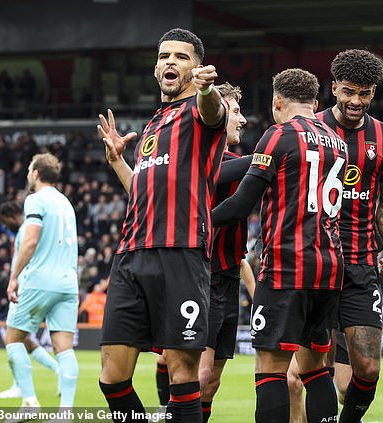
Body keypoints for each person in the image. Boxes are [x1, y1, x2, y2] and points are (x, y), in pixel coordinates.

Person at [97, 28, 227, 423]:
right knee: (112, 378)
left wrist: (207, 90)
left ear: (197, 66)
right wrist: (119, 161)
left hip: (181, 254)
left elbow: (213, 109)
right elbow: (141, 189)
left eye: (182, 57)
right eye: (165, 56)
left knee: (182, 375)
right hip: (131, 254)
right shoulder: (153, 124)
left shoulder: (202, 113)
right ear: (156, 68)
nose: (171, 61)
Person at [211, 68, 347, 423]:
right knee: (315, 368)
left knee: (270, 368)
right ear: (316, 104)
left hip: (288, 267)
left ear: (277, 102)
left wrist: (199, 221)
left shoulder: (277, 136)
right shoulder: (338, 141)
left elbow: (242, 203)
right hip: (330, 269)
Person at [153, 82, 256, 422]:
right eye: (236, 112)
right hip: (199, 277)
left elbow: (238, 251)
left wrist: (254, 291)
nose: (241, 120)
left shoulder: (237, 163)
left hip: (226, 279)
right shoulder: (199, 160)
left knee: (210, 382)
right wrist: (267, 154)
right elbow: (216, 173)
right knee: (194, 374)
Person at [315, 49, 383, 423]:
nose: (355, 101)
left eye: (364, 93)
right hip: (314, 260)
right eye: (348, 91)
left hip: (361, 264)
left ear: (373, 93)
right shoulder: (310, 129)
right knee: (311, 367)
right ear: (333, 87)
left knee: (367, 368)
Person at [5, 153, 79, 413]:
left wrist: (14, 277)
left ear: (36, 173)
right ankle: (65, 412)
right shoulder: (66, 203)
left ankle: (29, 403)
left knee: (13, 339)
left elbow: (31, 240)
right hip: (69, 282)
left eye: (29, 170)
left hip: (41, 280)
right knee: (64, 348)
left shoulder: (35, 200)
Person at [0, 201, 60, 400]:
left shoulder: (26, 230)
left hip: (25, 290)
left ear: (12, 215)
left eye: (5, 222)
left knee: (12, 338)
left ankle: (24, 390)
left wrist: (16, 282)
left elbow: (30, 258)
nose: (5, 226)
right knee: (23, 340)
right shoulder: (26, 230)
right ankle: (20, 384)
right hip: (24, 288)